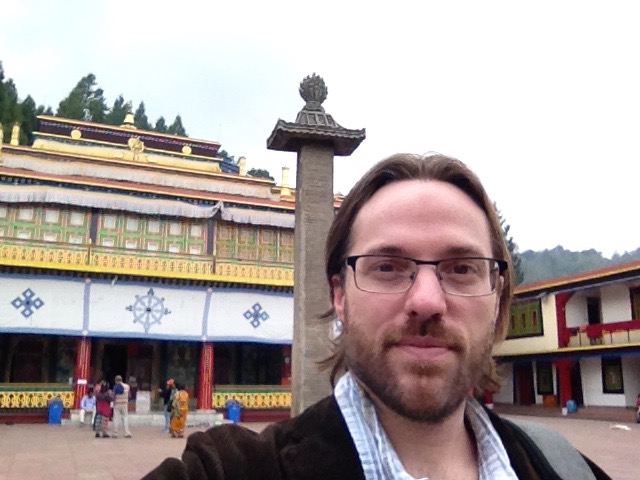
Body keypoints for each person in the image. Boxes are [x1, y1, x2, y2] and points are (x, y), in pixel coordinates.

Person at [144, 153, 610, 479]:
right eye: (387, 267)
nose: (427, 301)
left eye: (462, 269)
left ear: (497, 295)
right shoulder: (235, 469)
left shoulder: (565, 469)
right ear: (339, 293)